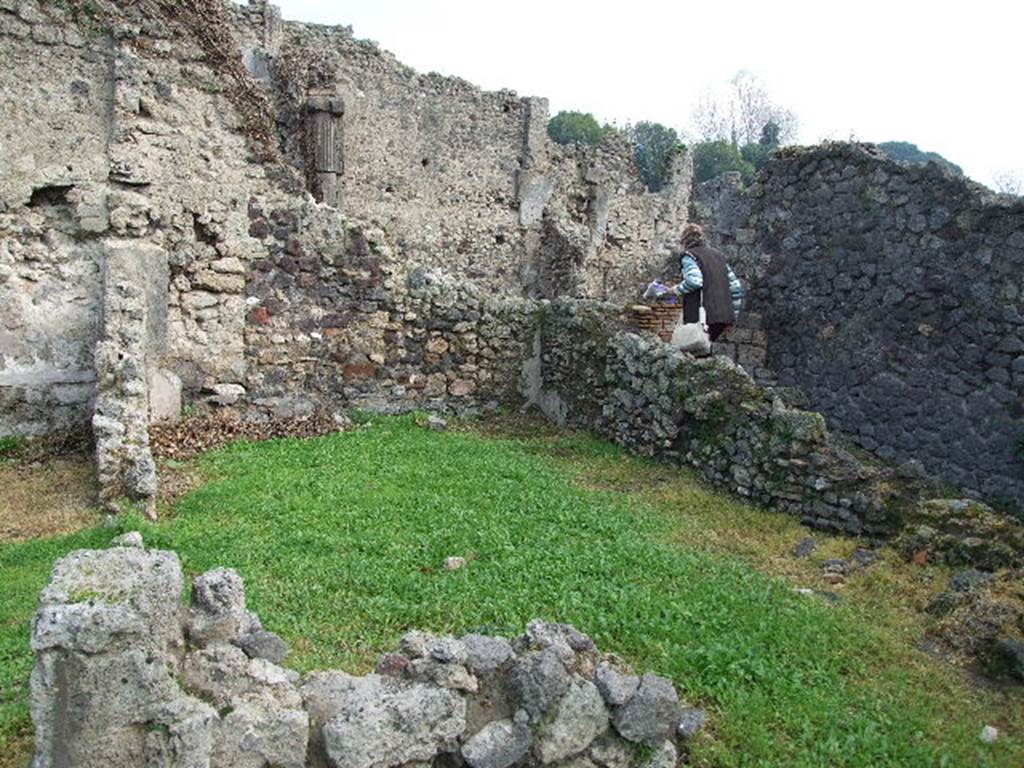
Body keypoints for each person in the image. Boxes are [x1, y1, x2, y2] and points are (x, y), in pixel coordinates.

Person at [670, 223, 744, 342]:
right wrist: (733, 315)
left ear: (684, 242)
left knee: (693, 349)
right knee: (705, 348)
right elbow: (736, 287)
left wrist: (675, 290)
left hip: (701, 315)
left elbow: (695, 281)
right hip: (724, 317)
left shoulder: (690, 256)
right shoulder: (719, 256)